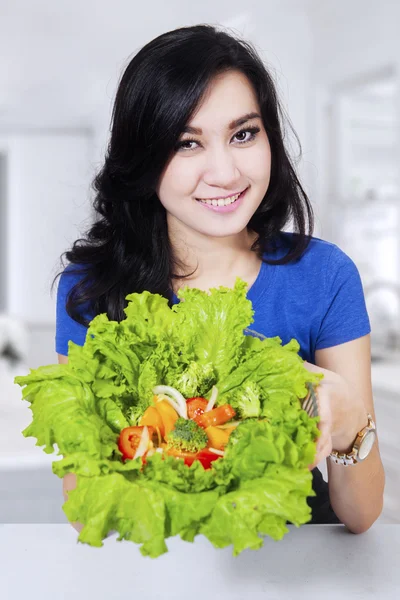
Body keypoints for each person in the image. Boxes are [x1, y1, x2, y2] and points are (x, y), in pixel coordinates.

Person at [54, 24, 385, 534]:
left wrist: (348, 424)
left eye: (243, 134)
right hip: (155, 564)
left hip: (293, 560)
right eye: (187, 143)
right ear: (143, 158)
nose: (225, 172)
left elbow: (361, 516)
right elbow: (87, 508)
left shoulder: (324, 275)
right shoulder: (90, 288)